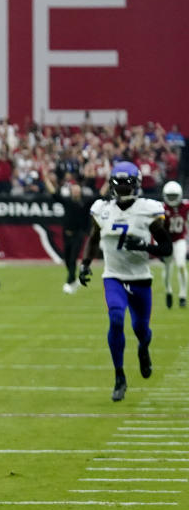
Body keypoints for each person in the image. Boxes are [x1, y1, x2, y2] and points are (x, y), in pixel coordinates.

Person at [79, 161, 172, 402]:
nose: (121, 190)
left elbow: (166, 246)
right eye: (118, 186)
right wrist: (86, 264)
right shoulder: (102, 209)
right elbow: (93, 237)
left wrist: (145, 245)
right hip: (114, 276)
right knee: (116, 318)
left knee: (141, 330)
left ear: (136, 185)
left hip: (140, 278)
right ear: (111, 186)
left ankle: (143, 349)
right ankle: (119, 376)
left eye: (126, 185)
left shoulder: (147, 209)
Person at [45, 173, 92, 294]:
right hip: (67, 234)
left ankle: (69, 282)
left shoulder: (85, 203)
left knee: (72, 259)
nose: (76, 192)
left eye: (77, 190)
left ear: (80, 191)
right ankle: (73, 280)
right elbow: (54, 194)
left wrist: (108, 183)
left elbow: (100, 196)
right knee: (66, 259)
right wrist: (46, 181)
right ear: (71, 191)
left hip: (78, 234)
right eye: (74, 190)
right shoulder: (67, 201)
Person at [161, 181, 189, 308]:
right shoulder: (162, 208)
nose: (172, 199)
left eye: (174, 196)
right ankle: (168, 291)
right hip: (167, 241)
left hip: (180, 240)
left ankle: (183, 295)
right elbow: (157, 229)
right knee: (167, 269)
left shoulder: (186, 205)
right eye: (170, 196)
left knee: (181, 265)